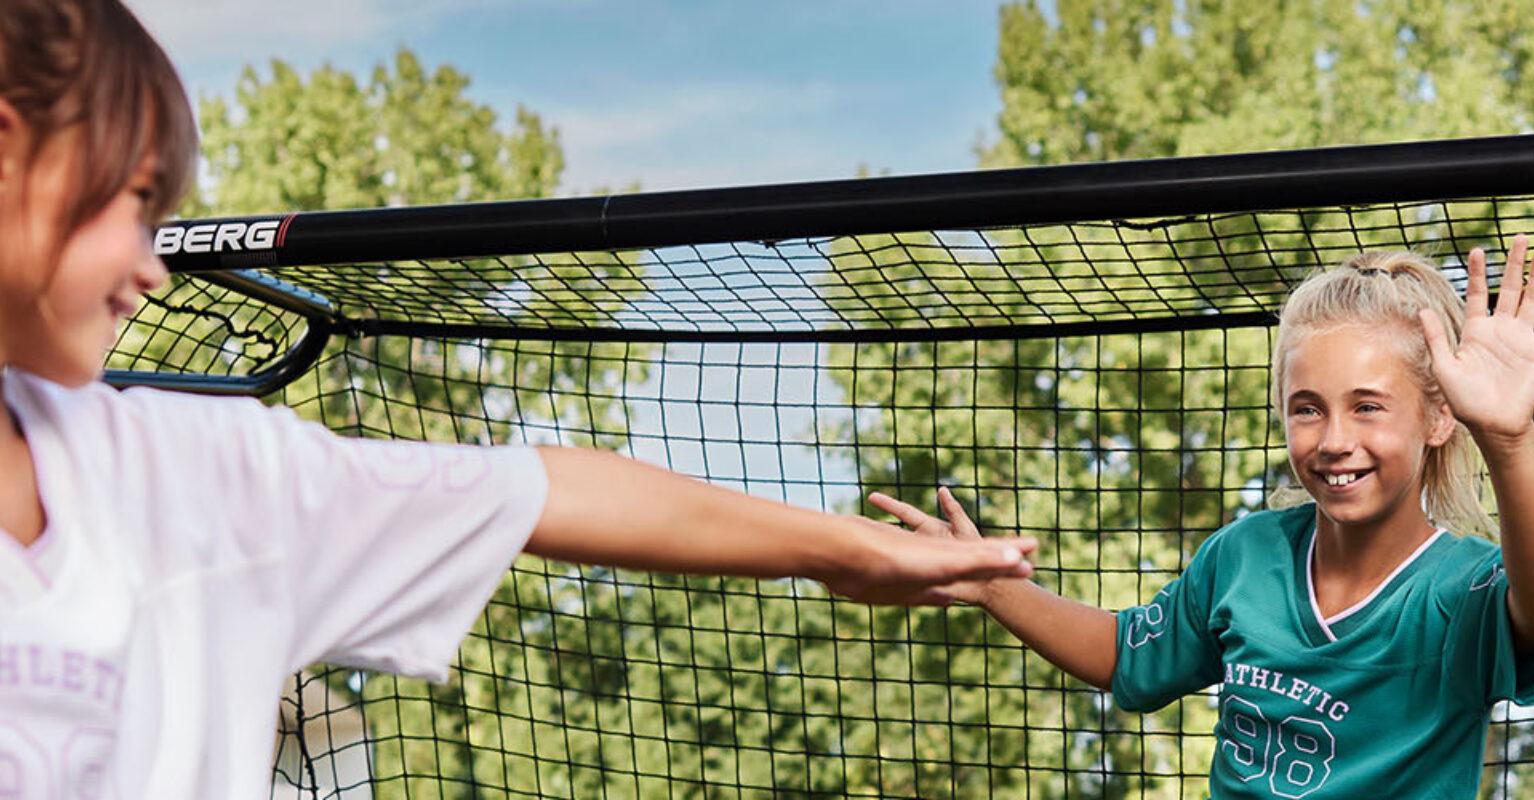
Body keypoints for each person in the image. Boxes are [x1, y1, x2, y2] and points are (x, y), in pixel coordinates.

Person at [0, 2, 1040, 797]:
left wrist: (846, 549)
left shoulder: (193, 471)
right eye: (137, 204)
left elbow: (543, 489)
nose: (153, 265)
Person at [874, 240, 1534, 797]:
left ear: (1440, 416)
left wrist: (1509, 444)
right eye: (1307, 408)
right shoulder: (1243, 556)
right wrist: (991, 582)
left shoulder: (1465, 591)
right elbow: (1128, 658)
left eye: (1368, 406)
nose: (1334, 439)